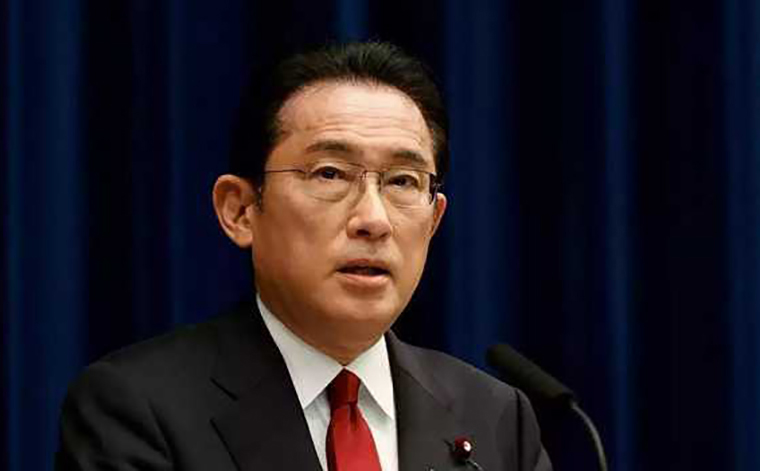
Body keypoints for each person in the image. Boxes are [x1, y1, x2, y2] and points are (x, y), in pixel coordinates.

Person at [56, 41, 552, 471]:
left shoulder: (495, 417)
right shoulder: (138, 409)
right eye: (330, 174)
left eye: (403, 181)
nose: (373, 219)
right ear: (240, 210)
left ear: (434, 220)